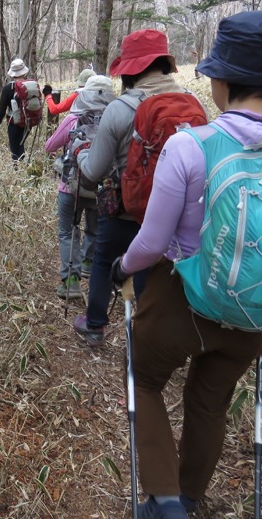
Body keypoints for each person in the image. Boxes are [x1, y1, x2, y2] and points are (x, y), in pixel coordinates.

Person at [110, 11, 262, 518]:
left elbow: (152, 242)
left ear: (222, 79)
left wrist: (122, 265)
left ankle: (164, 501)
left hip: (183, 303)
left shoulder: (192, 146)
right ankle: (189, 493)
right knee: (208, 402)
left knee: (142, 378)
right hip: (258, 316)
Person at [71, 29, 194, 347]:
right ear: (165, 65)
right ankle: (146, 339)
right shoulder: (191, 105)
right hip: (175, 220)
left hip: (126, 211)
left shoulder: (120, 109)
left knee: (103, 258)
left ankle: (95, 326)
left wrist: (81, 151)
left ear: (129, 70)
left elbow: (94, 170)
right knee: (151, 273)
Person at [44, 75, 114, 300]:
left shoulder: (74, 119)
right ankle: (87, 264)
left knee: (68, 232)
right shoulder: (116, 120)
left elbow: (49, 146)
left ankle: (71, 282)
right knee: (94, 229)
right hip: (102, 188)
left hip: (70, 187)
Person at [0, 58, 38, 163]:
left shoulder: (8, 88)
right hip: (28, 121)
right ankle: (23, 169)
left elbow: (2, 109)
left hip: (14, 123)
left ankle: (17, 172)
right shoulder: (31, 86)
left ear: (12, 74)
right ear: (25, 72)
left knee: (14, 149)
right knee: (21, 145)